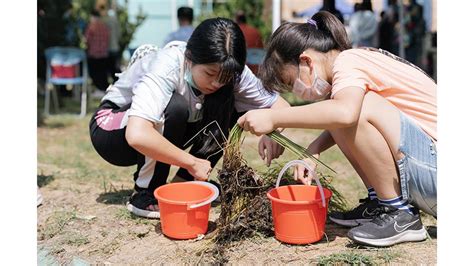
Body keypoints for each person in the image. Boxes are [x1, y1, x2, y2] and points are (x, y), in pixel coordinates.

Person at [237, 11, 436, 247]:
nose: (297, 91)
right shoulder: (353, 64)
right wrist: (312, 151)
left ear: (306, 62)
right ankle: (382, 204)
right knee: (343, 110)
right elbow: (341, 117)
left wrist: (274, 117)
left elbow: (346, 114)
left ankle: (399, 214)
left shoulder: (348, 61)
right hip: (430, 172)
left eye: (292, 83)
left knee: (353, 109)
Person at [89, 18, 288, 219]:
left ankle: (184, 184)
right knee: (175, 107)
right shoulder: (167, 65)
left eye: (225, 77)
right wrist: (192, 162)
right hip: (112, 131)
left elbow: (280, 106)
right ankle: (145, 193)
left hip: (160, 130)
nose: (217, 82)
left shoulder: (232, 71)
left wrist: (274, 130)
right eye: (210, 73)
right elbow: (137, 134)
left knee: (229, 104)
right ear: (190, 57)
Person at [85, 9, 110, 98]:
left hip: (94, 54)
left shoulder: (91, 26)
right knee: (103, 73)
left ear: (92, 16)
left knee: (95, 73)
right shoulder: (104, 26)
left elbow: (86, 40)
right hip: (103, 54)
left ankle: (99, 90)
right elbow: (108, 39)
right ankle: (103, 90)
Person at [234, 10, 264, 74]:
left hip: (244, 65)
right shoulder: (255, 31)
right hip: (257, 65)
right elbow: (261, 49)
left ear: (236, 20)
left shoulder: (235, 31)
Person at [100, 5, 122, 83]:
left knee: (106, 70)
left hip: (104, 49)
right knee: (115, 69)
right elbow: (119, 34)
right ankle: (118, 85)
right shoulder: (114, 19)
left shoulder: (101, 20)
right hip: (114, 47)